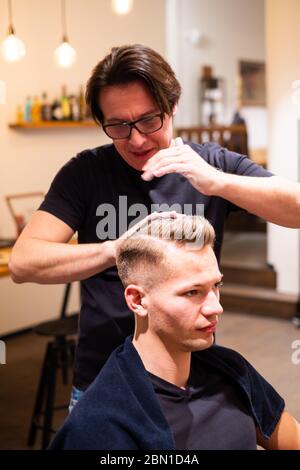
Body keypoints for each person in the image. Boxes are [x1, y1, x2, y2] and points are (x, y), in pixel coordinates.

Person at [9, 44, 300, 406]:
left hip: (193, 377)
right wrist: (115, 249)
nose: (136, 139)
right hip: (103, 380)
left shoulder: (210, 163)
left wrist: (218, 182)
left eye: (149, 120)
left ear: (172, 105)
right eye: (117, 125)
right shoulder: (85, 173)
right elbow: (23, 263)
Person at [49, 215, 300, 450]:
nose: (216, 307)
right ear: (137, 300)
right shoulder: (100, 423)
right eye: (192, 292)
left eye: (216, 286)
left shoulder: (232, 370)